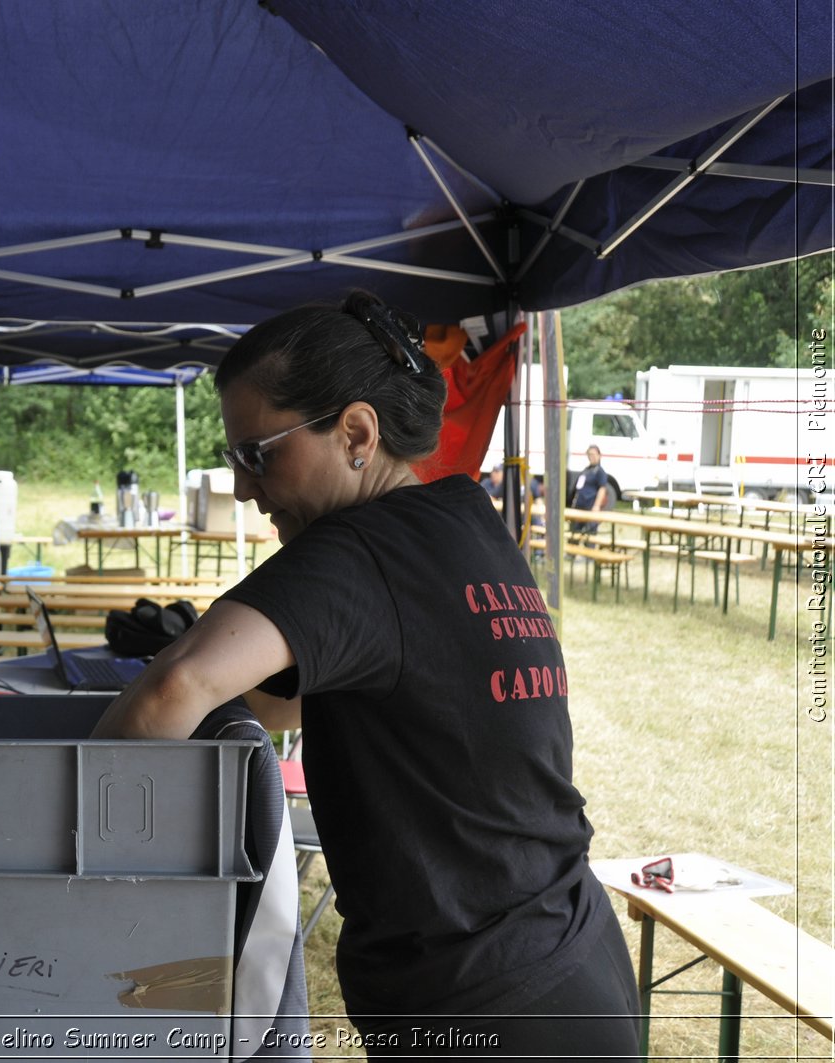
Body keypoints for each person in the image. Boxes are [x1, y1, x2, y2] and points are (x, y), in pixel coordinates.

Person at [92, 292, 640, 1059]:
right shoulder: (462, 518)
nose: (245, 488)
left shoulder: (357, 550)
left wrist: (78, 880)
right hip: (569, 954)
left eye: (260, 453)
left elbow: (169, 692)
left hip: (489, 1000)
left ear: (355, 432)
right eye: (234, 459)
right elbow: (291, 705)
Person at [570, 444, 611, 534]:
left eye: (593, 454)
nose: (591, 457)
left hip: (590, 508)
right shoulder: (586, 470)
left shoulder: (600, 471)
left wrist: (596, 506)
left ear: (599, 455)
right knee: (575, 534)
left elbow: (602, 489)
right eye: (589, 454)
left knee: (589, 536)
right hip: (579, 507)